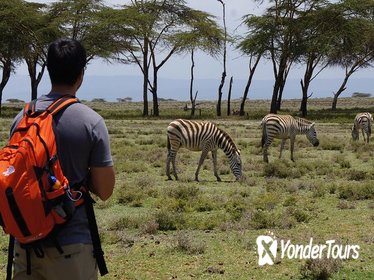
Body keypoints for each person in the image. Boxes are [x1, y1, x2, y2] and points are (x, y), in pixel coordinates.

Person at [9, 38, 115, 279]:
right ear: (81, 74)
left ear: (48, 70)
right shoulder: (91, 121)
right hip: (72, 245)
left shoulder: (22, 118)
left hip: (24, 244)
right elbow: (105, 190)